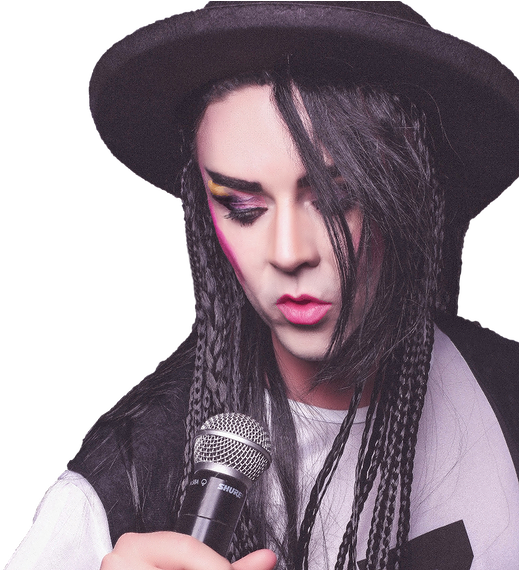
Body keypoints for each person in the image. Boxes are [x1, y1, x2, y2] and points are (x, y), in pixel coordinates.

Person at [6, 2, 519, 569]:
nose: (289, 253)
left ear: (409, 194)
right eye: (245, 208)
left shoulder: (504, 389)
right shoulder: (117, 490)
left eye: (335, 201)